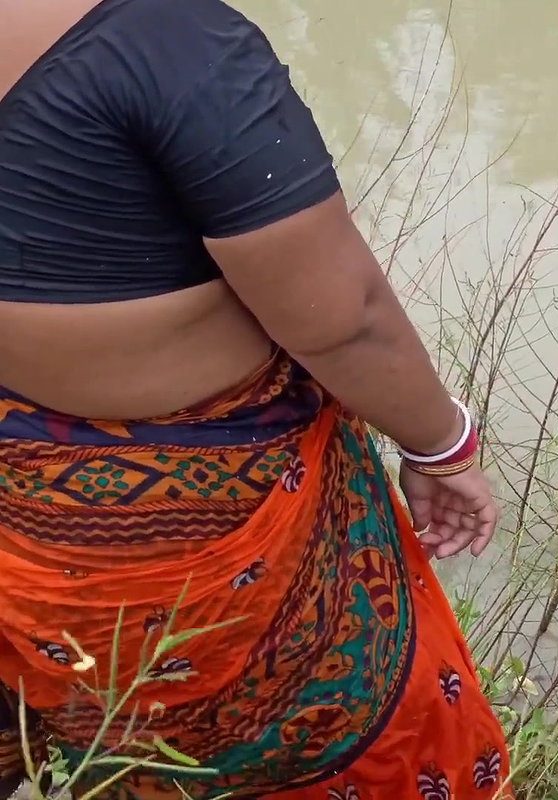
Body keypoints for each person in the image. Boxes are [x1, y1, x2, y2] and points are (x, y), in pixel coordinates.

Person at [0, 0, 510, 797]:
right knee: (333, 750)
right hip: (206, 557)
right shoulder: (163, 40)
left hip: (30, 548)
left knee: (116, 739)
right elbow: (343, 320)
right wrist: (440, 446)